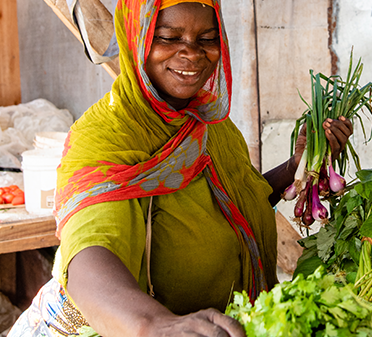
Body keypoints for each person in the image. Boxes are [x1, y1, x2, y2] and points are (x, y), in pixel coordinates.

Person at [7, 0, 353, 336]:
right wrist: (155, 325)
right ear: (135, 35)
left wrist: (297, 165)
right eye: (169, 38)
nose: (192, 53)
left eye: (207, 39)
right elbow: (89, 254)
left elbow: (236, 206)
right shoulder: (106, 135)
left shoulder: (211, 125)